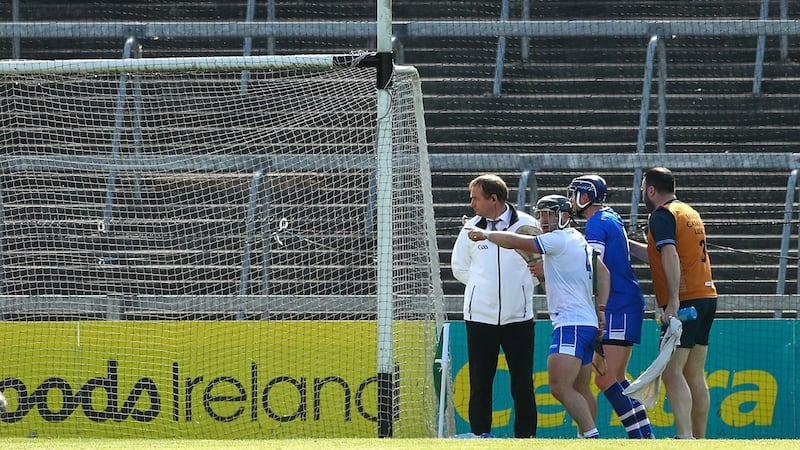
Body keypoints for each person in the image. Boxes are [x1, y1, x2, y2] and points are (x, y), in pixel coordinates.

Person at [466, 194, 610, 439]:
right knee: (581, 387)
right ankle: (585, 438)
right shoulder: (578, 239)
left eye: (550, 214)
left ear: (564, 216)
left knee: (559, 386)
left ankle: (592, 436)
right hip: (586, 322)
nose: (544, 219)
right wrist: (601, 310)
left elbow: (514, 241)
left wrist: (486, 235)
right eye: (541, 213)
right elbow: (604, 273)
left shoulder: (558, 239)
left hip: (571, 324)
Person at [628, 167, 718, 439]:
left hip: (686, 300)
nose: (643, 193)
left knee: (671, 371)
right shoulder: (688, 211)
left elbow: (669, 254)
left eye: (644, 188)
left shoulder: (662, 214)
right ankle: (700, 439)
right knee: (694, 372)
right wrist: (626, 243)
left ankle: (684, 436)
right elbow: (658, 255)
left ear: (651, 190)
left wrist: (674, 302)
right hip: (706, 296)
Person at [450, 174, 540, 438]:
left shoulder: (527, 224)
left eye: (475, 198)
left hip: (519, 318)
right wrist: (482, 289)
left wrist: (522, 287)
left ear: (493, 199)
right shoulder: (470, 229)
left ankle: (526, 439)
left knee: (522, 383)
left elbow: (540, 263)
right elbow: (459, 267)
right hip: (480, 317)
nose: (471, 203)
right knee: (480, 382)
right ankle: (481, 436)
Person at [567, 175, 654, 439]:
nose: (572, 200)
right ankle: (643, 437)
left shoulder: (596, 224)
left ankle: (643, 439)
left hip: (618, 305)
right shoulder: (609, 216)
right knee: (607, 378)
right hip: (619, 303)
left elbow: (594, 268)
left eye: (575, 194)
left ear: (587, 196)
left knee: (611, 378)